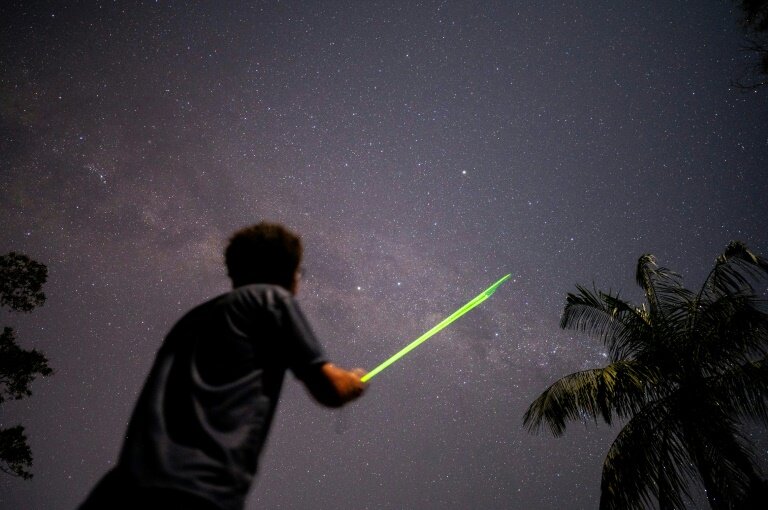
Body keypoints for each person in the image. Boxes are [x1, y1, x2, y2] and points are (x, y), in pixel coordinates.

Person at [79, 222, 368, 510]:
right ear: (287, 271)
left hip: (121, 493)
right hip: (199, 490)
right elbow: (330, 390)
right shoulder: (271, 299)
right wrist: (353, 381)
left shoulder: (189, 321)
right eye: (298, 272)